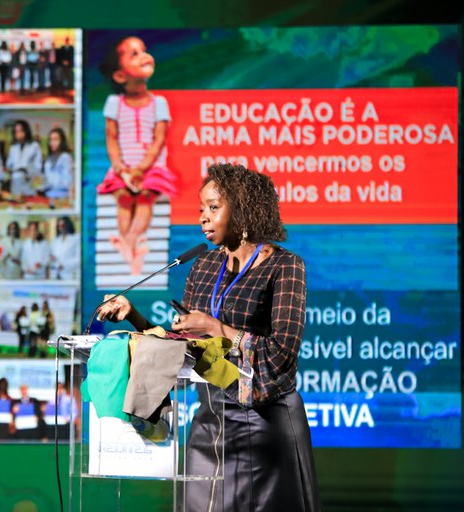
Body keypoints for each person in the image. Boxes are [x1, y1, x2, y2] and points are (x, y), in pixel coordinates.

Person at [96, 163, 320, 511]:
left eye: (214, 208)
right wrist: (134, 314)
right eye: (201, 209)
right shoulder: (203, 267)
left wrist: (216, 328)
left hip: (265, 426)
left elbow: (282, 353)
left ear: (244, 208)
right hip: (209, 424)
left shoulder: (286, 266)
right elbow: (182, 347)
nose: (203, 217)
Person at [96, 36, 177, 275]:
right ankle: (133, 257)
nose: (144, 55)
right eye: (134, 54)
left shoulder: (159, 102)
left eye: (143, 50)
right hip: (124, 167)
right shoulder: (114, 102)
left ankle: (127, 243)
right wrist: (121, 168)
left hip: (150, 167)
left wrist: (141, 169)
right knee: (123, 198)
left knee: (144, 197)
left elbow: (159, 138)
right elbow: (111, 138)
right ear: (120, 76)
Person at [5, 119, 43, 201]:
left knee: (29, 205)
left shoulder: (34, 146)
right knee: (16, 205)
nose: (18, 133)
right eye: (16, 131)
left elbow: (38, 166)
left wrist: (28, 171)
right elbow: (9, 165)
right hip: (15, 181)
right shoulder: (13, 147)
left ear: (26, 131)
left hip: (28, 180)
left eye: (20, 130)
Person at [43, 128, 74, 208]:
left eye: (55, 139)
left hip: (61, 197)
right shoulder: (49, 158)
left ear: (62, 141)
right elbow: (46, 177)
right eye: (51, 140)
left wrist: (49, 184)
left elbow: (67, 182)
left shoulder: (66, 157)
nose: (52, 143)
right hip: (48, 196)